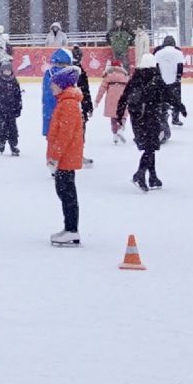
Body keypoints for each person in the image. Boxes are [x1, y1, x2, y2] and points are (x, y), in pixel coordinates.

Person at [46, 66, 86, 246]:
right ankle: (69, 228)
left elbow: (64, 134)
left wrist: (55, 156)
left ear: (61, 85)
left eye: (53, 84)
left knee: (67, 193)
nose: (51, 88)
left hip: (65, 157)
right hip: (64, 156)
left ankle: (71, 230)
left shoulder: (68, 103)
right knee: (64, 192)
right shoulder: (64, 100)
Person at [118, 54, 169, 191]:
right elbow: (167, 94)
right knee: (150, 147)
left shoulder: (135, 78)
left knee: (149, 147)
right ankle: (140, 174)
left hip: (137, 119)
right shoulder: (156, 78)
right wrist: (180, 106)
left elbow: (123, 97)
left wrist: (119, 114)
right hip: (151, 117)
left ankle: (152, 177)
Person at [152, 36, 187, 126]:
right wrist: (178, 77)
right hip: (174, 80)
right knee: (176, 99)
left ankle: (163, 116)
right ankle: (175, 118)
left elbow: (155, 66)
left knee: (162, 99)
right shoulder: (178, 52)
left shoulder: (158, 53)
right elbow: (180, 66)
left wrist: (158, 77)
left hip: (162, 80)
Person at [0, 61, 23, 156]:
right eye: (5, 70)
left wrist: (18, 108)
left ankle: (13, 145)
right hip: (0, 110)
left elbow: (18, 96)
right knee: (2, 127)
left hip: (11, 110)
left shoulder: (14, 82)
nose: (7, 72)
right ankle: (2, 141)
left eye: (9, 70)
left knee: (13, 128)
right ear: (2, 71)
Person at [95, 60, 130, 144]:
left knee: (113, 117)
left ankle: (114, 135)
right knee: (123, 115)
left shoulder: (108, 76)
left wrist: (97, 101)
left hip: (111, 99)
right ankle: (121, 129)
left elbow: (102, 89)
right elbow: (130, 89)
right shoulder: (125, 76)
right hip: (123, 99)